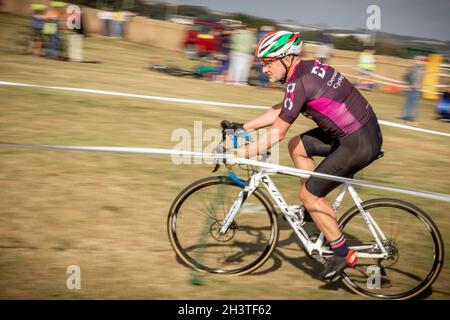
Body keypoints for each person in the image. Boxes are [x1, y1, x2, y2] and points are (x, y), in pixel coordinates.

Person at [227, 31, 383, 280]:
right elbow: (285, 108)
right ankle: (312, 211)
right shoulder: (304, 71)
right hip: (359, 133)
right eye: (262, 63)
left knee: (309, 193)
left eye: (268, 62)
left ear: (286, 59)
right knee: (297, 145)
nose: (264, 69)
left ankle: (341, 253)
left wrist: (237, 153)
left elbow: (275, 133)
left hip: (357, 142)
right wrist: (244, 127)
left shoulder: (300, 81)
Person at [401, 55, 427, 124]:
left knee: (414, 105)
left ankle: (411, 119)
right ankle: (407, 120)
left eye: (424, 61)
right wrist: (408, 85)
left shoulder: (422, 69)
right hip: (412, 88)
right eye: (421, 60)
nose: (423, 62)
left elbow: (420, 79)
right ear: (416, 61)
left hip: (417, 89)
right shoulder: (413, 69)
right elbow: (406, 76)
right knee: (410, 105)